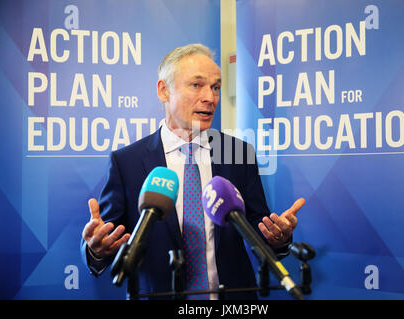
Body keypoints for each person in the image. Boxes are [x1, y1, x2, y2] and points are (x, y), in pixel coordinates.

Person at [81, 43, 305, 300]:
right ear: (164, 90)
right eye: (197, 85)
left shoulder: (238, 153)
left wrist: (277, 238)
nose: (210, 98)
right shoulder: (127, 162)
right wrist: (97, 249)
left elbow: (256, 228)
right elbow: (108, 238)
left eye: (216, 87)